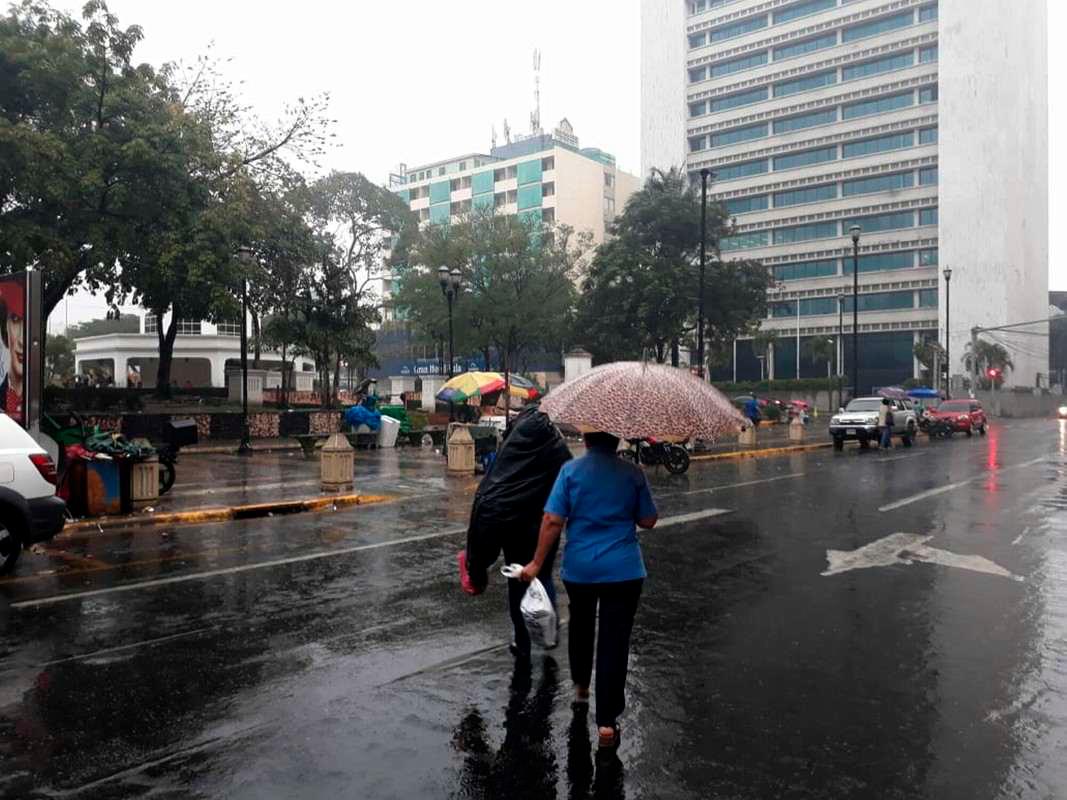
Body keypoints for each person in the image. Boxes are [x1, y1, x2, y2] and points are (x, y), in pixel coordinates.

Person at [521, 431, 658, 750]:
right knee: (614, 642)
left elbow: (552, 520)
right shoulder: (632, 473)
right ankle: (607, 723)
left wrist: (537, 563)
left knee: (581, 627)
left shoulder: (570, 472)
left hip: (580, 570)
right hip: (624, 571)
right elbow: (649, 520)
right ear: (617, 440)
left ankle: (582, 689)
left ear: (585, 440)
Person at [463, 405, 572, 658]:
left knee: (517, 582)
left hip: (514, 527)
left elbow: (488, 500)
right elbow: (568, 482)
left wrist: (477, 566)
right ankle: (549, 631)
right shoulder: (556, 447)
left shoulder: (511, 449)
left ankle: (522, 641)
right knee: (542, 574)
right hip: (544, 525)